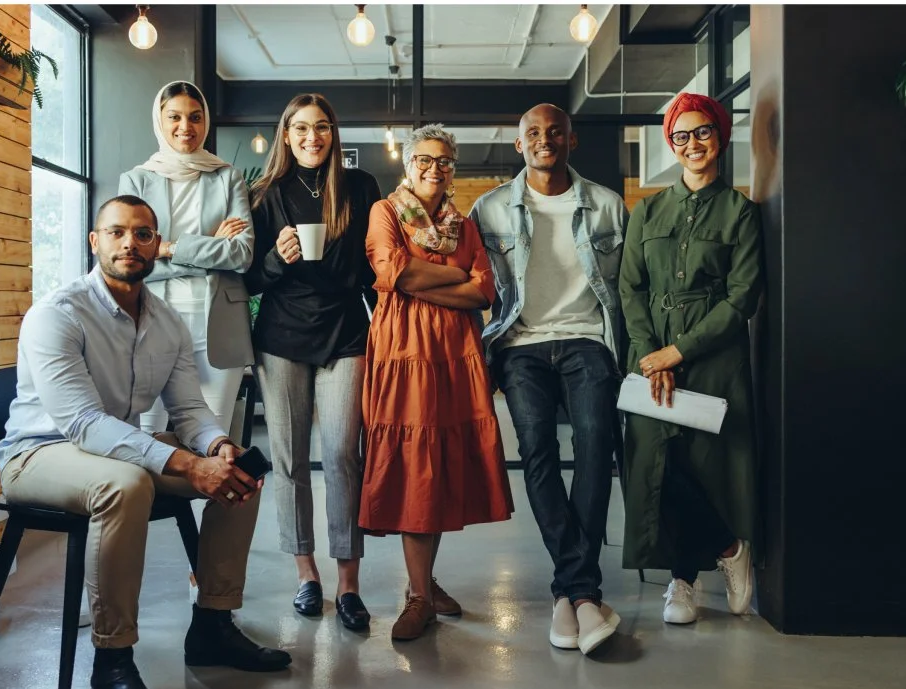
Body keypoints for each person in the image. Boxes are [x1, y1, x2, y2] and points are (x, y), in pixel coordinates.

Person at [0, 195, 291, 689]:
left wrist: (217, 449)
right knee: (126, 485)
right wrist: (187, 465)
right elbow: (83, 424)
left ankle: (212, 626)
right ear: (95, 241)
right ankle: (112, 665)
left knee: (240, 469)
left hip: (117, 451)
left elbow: (189, 409)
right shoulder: (57, 315)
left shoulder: (167, 322)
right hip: (38, 454)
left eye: (143, 233)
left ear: (157, 245)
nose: (129, 242)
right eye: (116, 232)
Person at [471, 103, 629, 656]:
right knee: (536, 451)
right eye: (533, 134)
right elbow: (475, 289)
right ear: (519, 145)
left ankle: (572, 593)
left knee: (595, 445)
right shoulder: (488, 210)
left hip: (588, 340)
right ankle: (584, 592)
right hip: (522, 345)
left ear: (571, 139)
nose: (545, 140)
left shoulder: (608, 205)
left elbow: (625, 290)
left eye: (554, 132)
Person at [362, 123, 514, 642]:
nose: (434, 168)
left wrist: (425, 275)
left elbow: (484, 292)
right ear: (408, 165)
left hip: (453, 352)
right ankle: (419, 596)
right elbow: (395, 274)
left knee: (442, 459)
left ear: (454, 169)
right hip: (404, 352)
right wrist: (454, 277)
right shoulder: (385, 212)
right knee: (413, 462)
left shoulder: (464, 225)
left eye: (444, 161)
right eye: (424, 160)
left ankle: (424, 583)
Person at [618, 92, 763, 624]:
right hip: (651, 357)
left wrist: (678, 352)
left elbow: (742, 297)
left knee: (706, 465)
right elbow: (629, 289)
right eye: (682, 135)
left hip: (714, 359)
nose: (693, 143)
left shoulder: (741, 213)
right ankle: (705, 565)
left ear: (720, 138)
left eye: (703, 132)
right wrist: (651, 356)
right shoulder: (648, 211)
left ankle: (704, 566)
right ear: (670, 145)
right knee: (659, 467)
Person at [244, 93, 382, 631]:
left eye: (322, 127)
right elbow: (251, 278)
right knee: (289, 458)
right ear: (286, 134)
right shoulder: (265, 195)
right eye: (300, 128)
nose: (311, 137)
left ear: (333, 133)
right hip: (280, 338)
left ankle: (349, 583)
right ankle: (306, 573)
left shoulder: (361, 187)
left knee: (344, 453)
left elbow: (376, 264)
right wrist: (278, 258)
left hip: (346, 334)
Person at [119, 80, 254, 440]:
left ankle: (202, 501)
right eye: (174, 117)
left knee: (212, 440)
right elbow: (132, 261)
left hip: (217, 326)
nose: (186, 127)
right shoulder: (137, 180)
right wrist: (209, 246)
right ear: (159, 121)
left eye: (195, 117)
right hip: (152, 322)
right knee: (145, 439)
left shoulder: (227, 177)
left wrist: (168, 247)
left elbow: (240, 254)